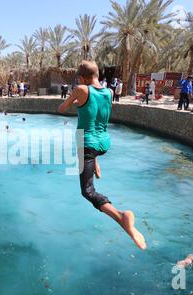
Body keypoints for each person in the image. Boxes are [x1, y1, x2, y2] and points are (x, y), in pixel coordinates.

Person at [58, 60, 147, 250]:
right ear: (97, 75)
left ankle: (121, 217)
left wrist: (75, 96)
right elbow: (98, 117)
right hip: (104, 144)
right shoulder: (109, 92)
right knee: (91, 146)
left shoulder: (82, 89)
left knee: (87, 191)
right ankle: (95, 164)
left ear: (82, 78)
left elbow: (62, 109)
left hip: (87, 145)